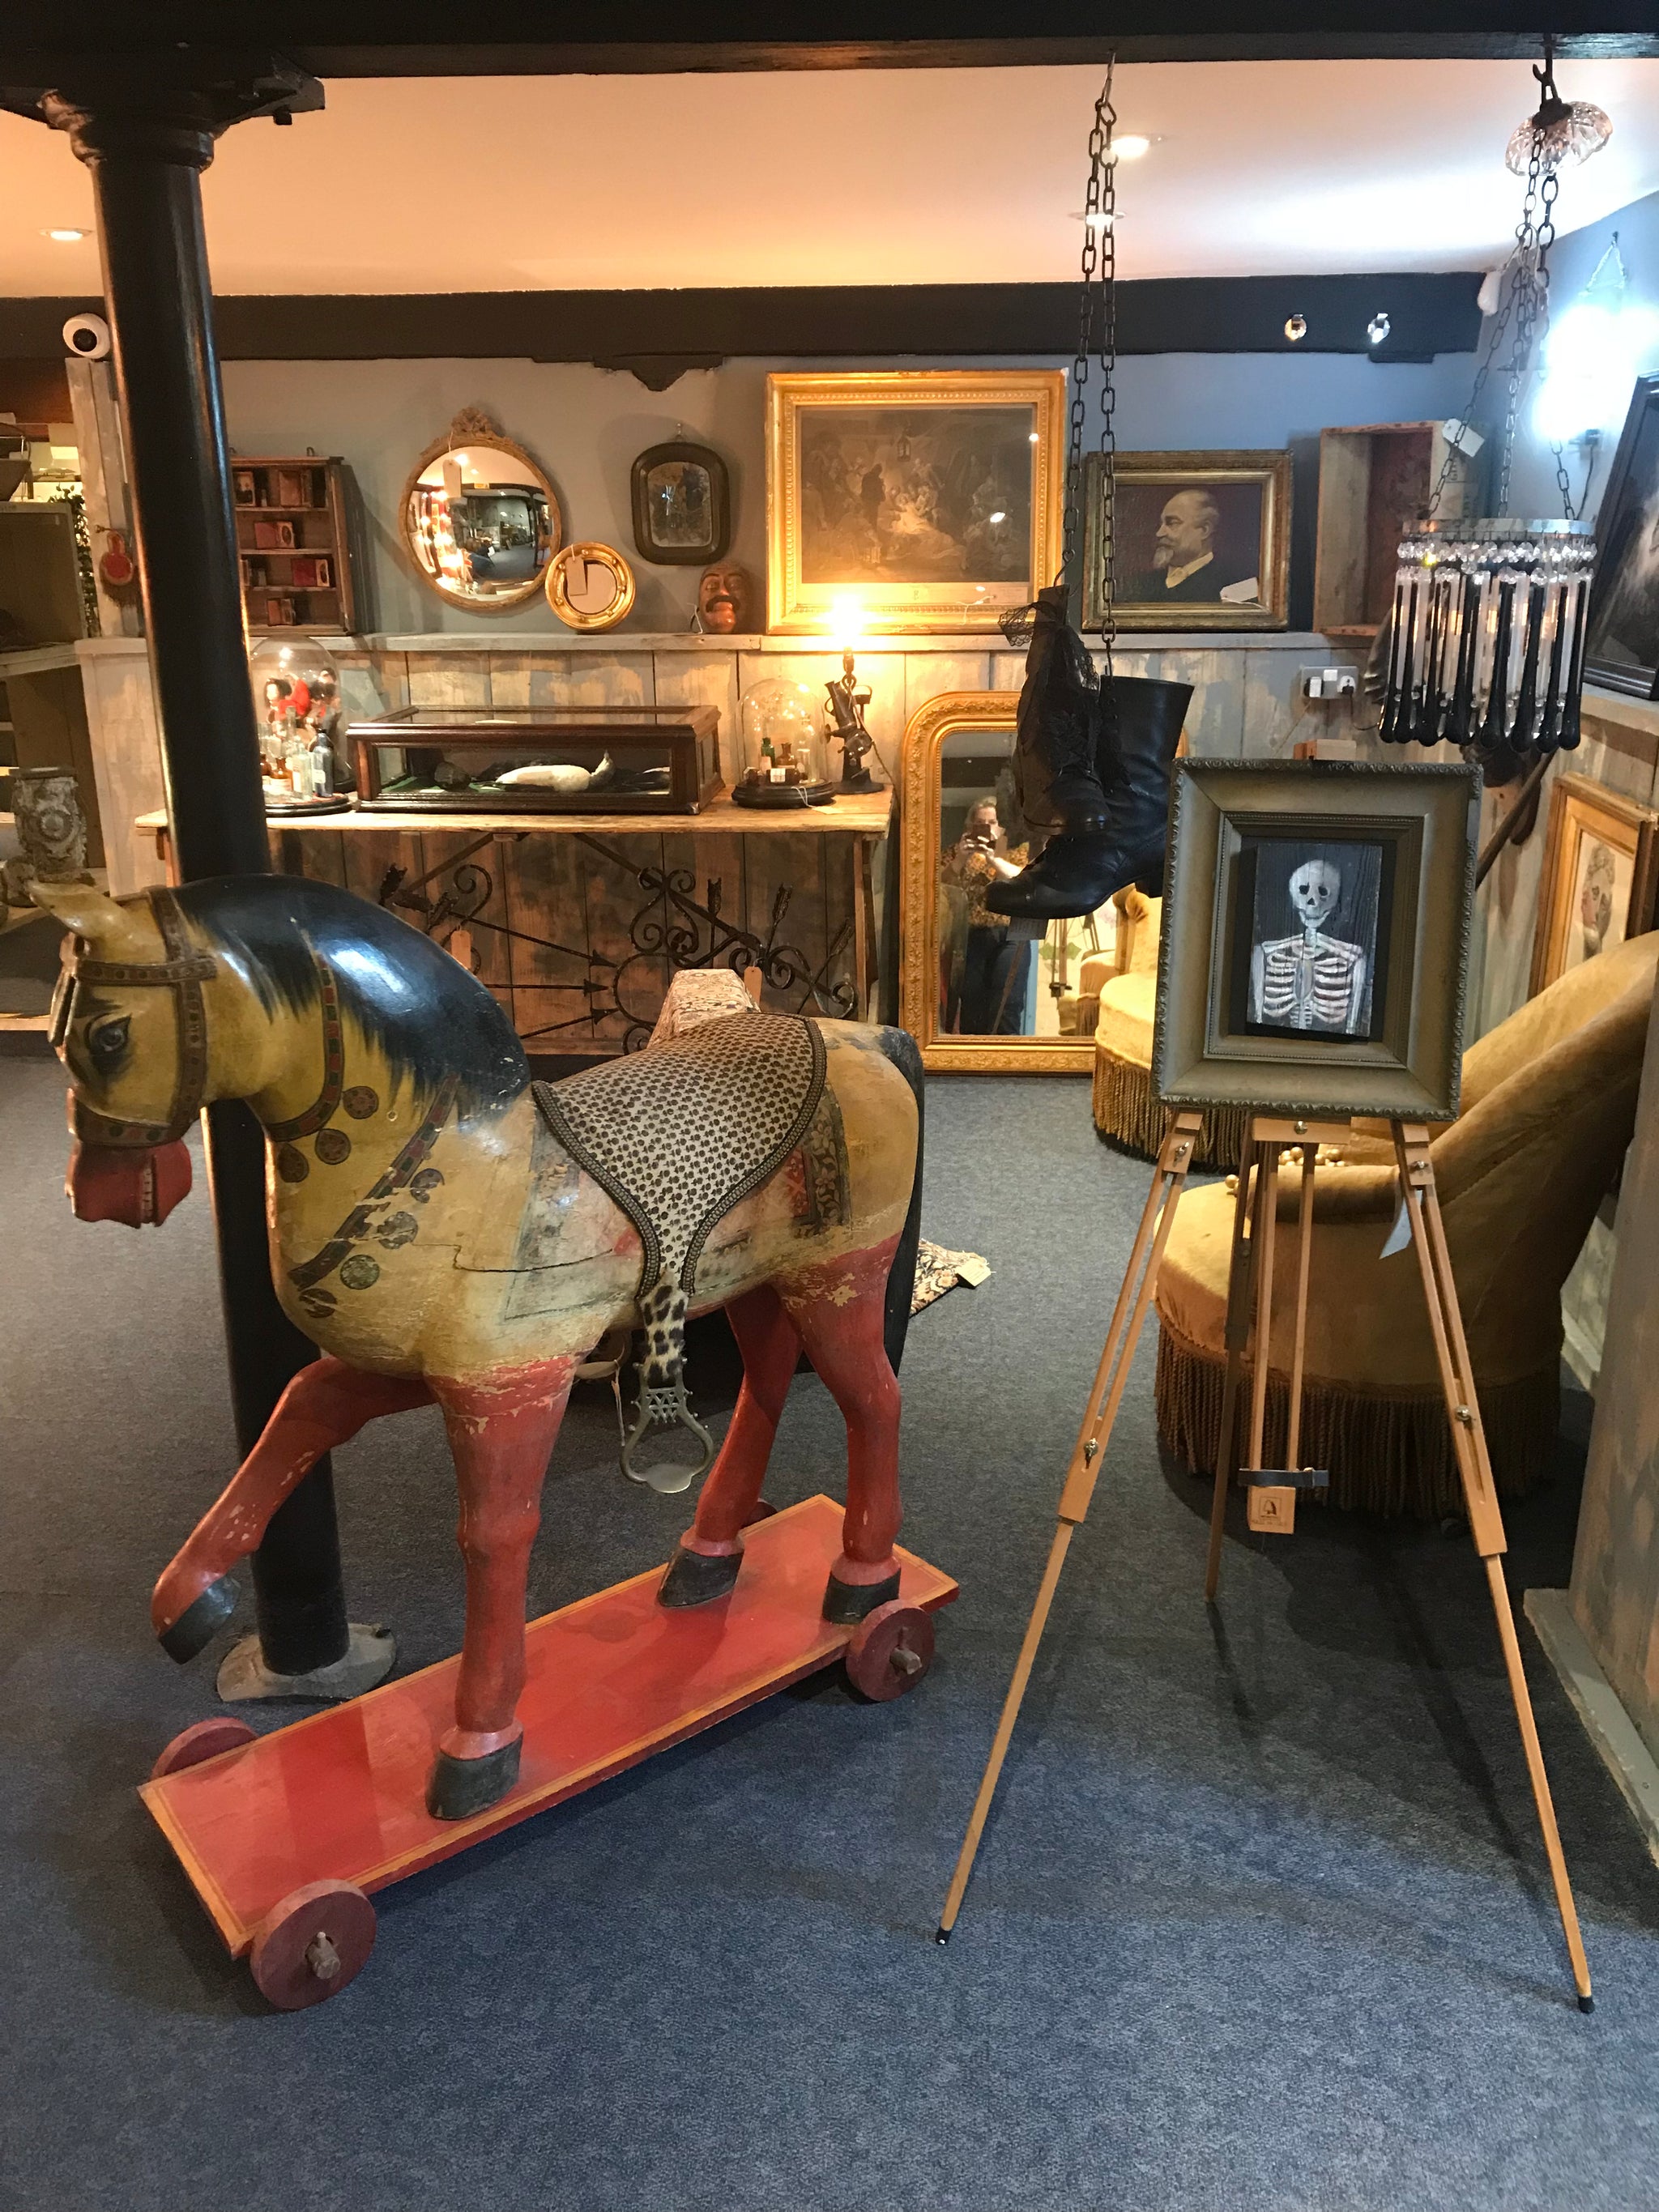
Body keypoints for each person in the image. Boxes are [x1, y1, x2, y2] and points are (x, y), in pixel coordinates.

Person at [1248, 856, 1369, 1034]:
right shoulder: (1265, 952)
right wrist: (1258, 1019)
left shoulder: (1354, 958)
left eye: (1323, 892)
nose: (1313, 902)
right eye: (1304, 890)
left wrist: (1351, 1029)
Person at [941, 799, 1033, 1034]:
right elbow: (938, 887)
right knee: (972, 1003)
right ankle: (974, 1062)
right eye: (980, 822)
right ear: (969, 826)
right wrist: (960, 860)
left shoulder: (1018, 852)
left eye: (992, 822)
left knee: (1007, 1005)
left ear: (1002, 826)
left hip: (1012, 935)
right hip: (971, 935)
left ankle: (1007, 1063)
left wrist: (994, 858)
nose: (987, 827)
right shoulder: (956, 852)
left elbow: (1024, 880)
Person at [1126, 487, 1259, 604]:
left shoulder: (1237, 582)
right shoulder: (1140, 585)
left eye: (1172, 523)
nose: (1159, 533)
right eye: (1162, 524)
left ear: (1204, 530)